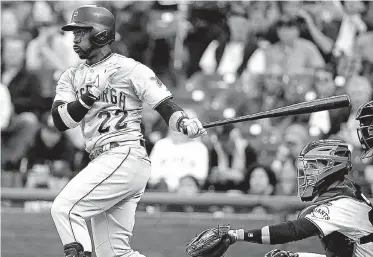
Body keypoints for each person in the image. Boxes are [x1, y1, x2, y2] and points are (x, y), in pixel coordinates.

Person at [49, 5, 207, 257]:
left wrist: (185, 123)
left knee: (65, 209)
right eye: (74, 33)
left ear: (101, 34)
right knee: (114, 253)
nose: (75, 38)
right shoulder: (70, 76)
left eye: (81, 32)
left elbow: (165, 105)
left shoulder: (130, 69)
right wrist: (88, 96)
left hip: (123, 154)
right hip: (105, 161)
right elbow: (61, 121)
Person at [197, 140, 373, 257]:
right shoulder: (347, 191)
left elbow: (293, 230)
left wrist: (236, 235)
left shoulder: (343, 204)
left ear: (332, 167)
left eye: (313, 166)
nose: (306, 172)